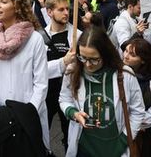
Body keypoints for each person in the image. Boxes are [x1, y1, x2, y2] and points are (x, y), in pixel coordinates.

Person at [0, 0, 50, 156]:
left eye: (3, 2)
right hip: (0, 114)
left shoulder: (34, 39)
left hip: (29, 114)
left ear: (17, 7)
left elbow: (41, 82)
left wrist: (28, 113)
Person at [59, 26, 145, 157]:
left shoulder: (125, 75)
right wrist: (73, 113)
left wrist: (123, 140)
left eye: (94, 59)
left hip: (116, 149)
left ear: (105, 54)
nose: (87, 64)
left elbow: (138, 111)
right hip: (84, 149)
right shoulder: (72, 71)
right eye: (83, 58)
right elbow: (64, 99)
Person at [44, 0, 80, 152]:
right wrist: (63, 62)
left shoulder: (77, 35)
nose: (66, 12)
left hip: (69, 93)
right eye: (61, 9)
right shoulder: (39, 36)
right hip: (46, 93)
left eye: (67, 9)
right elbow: (38, 70)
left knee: (70, 133)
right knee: (42, 130)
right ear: (49, 12)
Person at [123, 38, 151, 157]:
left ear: (143, 60)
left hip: (143, 134)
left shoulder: (148, 81)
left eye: (132, 54)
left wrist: (137, 122)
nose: (126, 56)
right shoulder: (119, 73)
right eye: (126, 51)